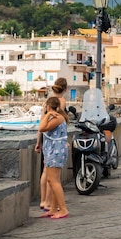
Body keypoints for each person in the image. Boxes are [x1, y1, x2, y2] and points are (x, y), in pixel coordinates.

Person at [36, 78, 68, 210]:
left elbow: (41, 125)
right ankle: (50, 204)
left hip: (49, 141)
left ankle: (45, 201)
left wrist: (38, 141)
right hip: (53, 143)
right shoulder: (61, 102)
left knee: (48, 175)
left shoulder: (48, 104)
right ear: (65, 89)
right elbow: (43, 126)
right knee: (53, 178)